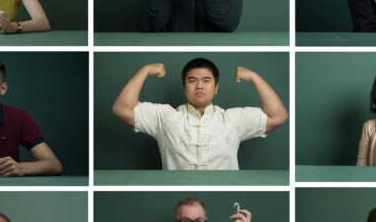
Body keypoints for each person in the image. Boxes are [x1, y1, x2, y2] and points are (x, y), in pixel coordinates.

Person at [112, 58, 288, 170]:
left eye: (206, 81)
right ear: (184, 87)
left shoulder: (232, 119)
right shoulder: (164, 117)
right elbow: (122, 108)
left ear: (216, 87)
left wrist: (254, 77)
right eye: (192, 81)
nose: (199, 86)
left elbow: (278, 115)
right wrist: (144, 70)